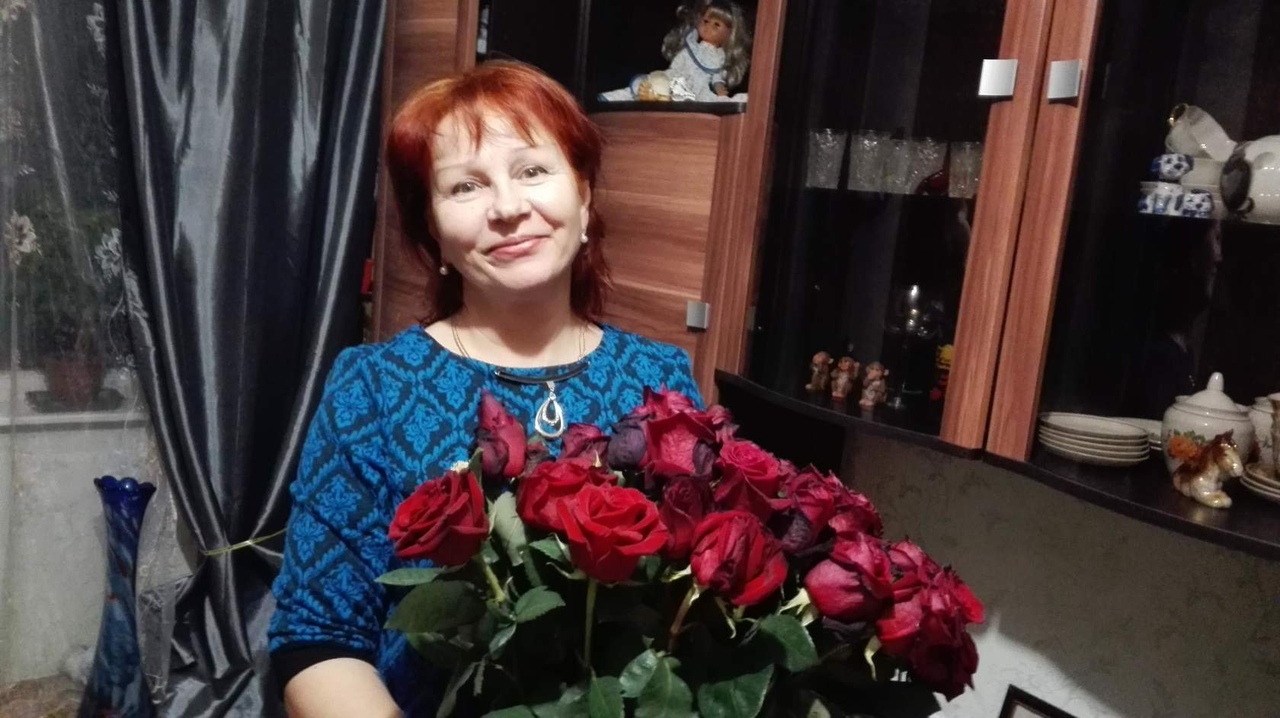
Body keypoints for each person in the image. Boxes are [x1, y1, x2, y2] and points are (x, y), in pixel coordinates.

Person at [268, 61, 703, 717]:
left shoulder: (661, 381)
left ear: (584, 197)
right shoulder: (374, 386)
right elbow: (318, 638)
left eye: (532, 170)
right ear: (432, 230)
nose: (507, 208)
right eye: (466, 186)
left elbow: (692, 617)